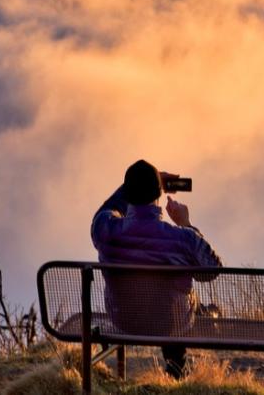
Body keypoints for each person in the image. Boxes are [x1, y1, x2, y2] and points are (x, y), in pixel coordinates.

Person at [90, 159, 222, 379]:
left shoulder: (105, 230)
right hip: (170, 323)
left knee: (170, 300)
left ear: (127, 195)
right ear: (158, 195)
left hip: (124, 319)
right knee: (181, 300)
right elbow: (210, 271)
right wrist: (186, 224)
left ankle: (203, 318)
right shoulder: (182, 238)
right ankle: (178, 366)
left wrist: (131, 187)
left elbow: (104, 211)